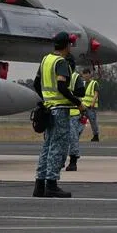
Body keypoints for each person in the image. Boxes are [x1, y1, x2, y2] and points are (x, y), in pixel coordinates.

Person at [31, 32, 83, 198]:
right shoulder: (61, 62)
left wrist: (46, 99)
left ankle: (39, 185)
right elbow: (61, 86)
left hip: (48, 108)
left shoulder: (46, 60)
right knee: (57, 147)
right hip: (60, 109)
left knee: (46, 147)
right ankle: (52, 184)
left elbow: (36, 83)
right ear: (67, 45)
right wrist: (78, 103)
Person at [65, 58, 87, 172]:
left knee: (72, 138)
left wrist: (67, 93)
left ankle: (73, 162)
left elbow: (81, 92)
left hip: (72, 113)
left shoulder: (75, 77)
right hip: (62, 111)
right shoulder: (59, 76)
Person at [81, 68, 100, 142]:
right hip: (83, 106)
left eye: (86, 74)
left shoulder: (94, 83)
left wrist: (92, 103)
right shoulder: (82, 83)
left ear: (89, 74)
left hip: (91, 107)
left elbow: (96, 94)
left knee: (93, 122)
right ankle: (77, 134)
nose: (85, 76)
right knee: (81, 122)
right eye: (83, 75)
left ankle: (96, 135)